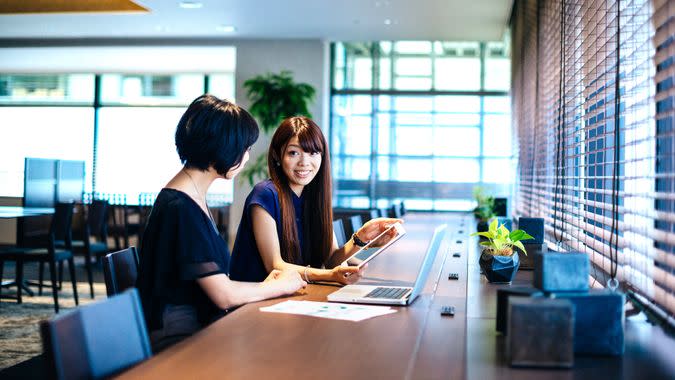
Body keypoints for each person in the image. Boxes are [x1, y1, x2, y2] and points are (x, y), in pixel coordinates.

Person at [136, 95, 306, 352]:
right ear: (224, 147)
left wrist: (267, 286)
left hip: (200, 325)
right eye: (245, 149)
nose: (247, 157)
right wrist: (280, 286)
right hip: (181, 338)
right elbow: (223, 294)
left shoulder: (188, 197)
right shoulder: (180, 208)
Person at [230, 116, 402, 284]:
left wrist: (360, 239)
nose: (304, 162)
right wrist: (330, 276)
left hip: (292, 297)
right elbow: (275, 266)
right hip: (253, 303)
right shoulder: (265, 194)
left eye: (313, 152)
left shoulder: (314, 197)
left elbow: (330, 260)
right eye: (293, 152)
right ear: (277, 155)